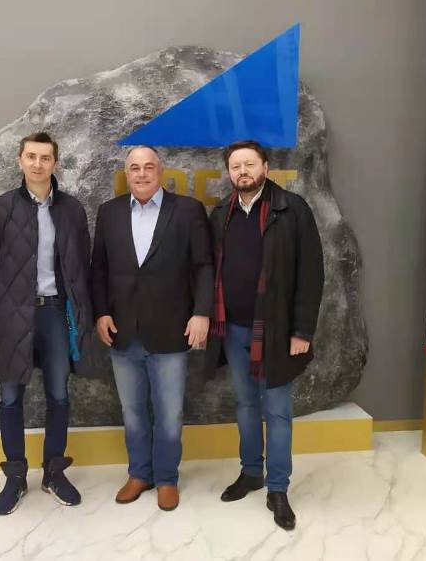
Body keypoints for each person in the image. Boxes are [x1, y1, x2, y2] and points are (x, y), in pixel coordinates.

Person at [203, 140, 324, 532]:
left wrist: (302, 330)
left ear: (266, 167)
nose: (243, 172)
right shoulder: (221, 213)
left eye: (249, 164)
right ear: (229, 172)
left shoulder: (292, 210)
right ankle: (251, 472)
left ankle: (278, 488)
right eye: (236, 166)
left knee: (278, 412)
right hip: (234, 330)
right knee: (244, 405)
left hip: (277, 331)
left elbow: (311, 273)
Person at [0, 132, 93, 515]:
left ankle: (54, 472)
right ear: (20, 161)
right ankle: (15, 476)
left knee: (59, 394)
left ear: (55, 163)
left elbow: (82, 270)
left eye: (45, 158)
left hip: (55, 314)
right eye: (31, 156)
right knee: (10, 397)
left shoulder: (72, 210)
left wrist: (84, 318)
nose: (38, 164)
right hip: (10, 318)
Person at [90, 146, 213, 512]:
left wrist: (202, 313)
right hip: (122, 331)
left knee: (170, 414)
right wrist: (101, 312)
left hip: (172, 330)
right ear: (126, 174)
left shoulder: (188, 210)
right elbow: (99, 269)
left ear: (160, 171)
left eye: (148, 167)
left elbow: (203, 266)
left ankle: (167, 478)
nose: (141, 174)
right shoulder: (109, 213)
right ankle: (139, 474)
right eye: (134, 168)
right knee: (132, 412)